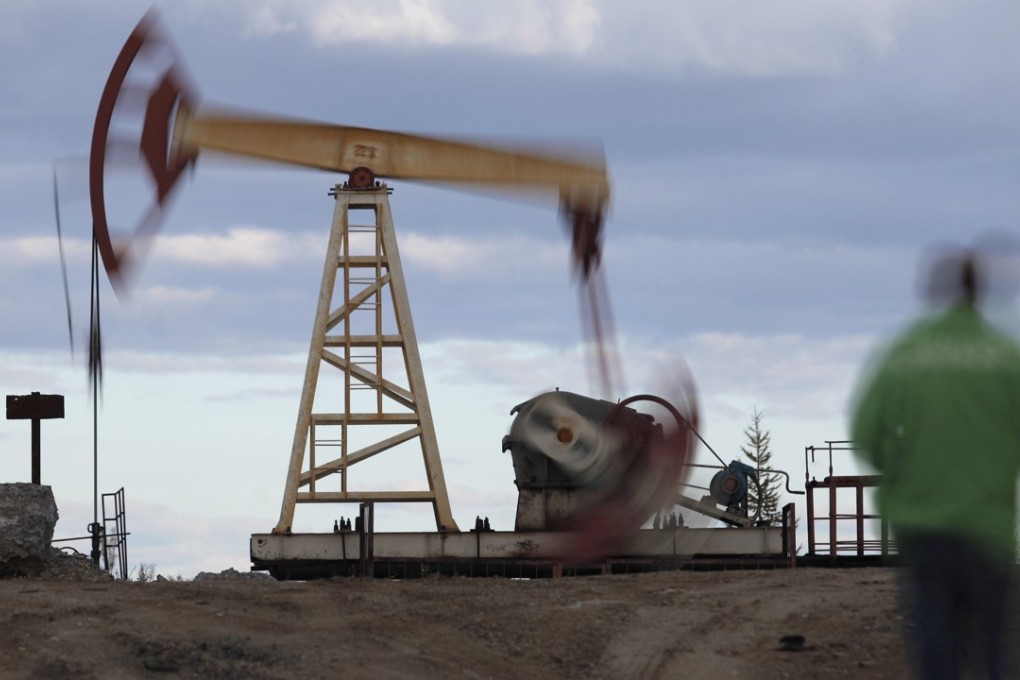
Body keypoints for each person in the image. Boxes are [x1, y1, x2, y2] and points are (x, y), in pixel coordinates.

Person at [851, 246, 1020, 680]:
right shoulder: (1006, 356)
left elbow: (865, 435)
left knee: (936, 656)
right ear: (980, 292)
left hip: (924, 528)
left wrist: (904, 475)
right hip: (989, 530)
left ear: (933, 292)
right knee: (991, 659)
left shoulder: (905, 352)